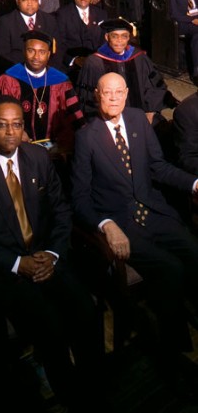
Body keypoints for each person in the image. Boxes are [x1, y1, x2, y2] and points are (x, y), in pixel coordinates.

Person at [0, 97, 103, 409]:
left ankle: (95, 386)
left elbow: (61, 210)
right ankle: (70, 397)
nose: (11, 132)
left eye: (17, 125)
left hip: (49, 257)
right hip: (7, 269)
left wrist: (53, 254)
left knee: (87, 312)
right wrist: (18, 263)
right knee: (52, 329)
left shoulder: (37, 156)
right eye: (3, 125)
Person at [73, 73, 198, 371]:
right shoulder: (86, 137)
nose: (114, 98)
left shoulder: (138, 119)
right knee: (170, 268)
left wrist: (194, 184)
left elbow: (158, 167)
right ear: (97, 96)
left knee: (194, 251)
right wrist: (105, 224)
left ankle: (191, 317)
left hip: (154, 212)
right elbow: (78, 198)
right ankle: (175, 347)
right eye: (107, 93)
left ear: (127, 93)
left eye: (119, 92)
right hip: (122, 223)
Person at [0, 31, 84, 153]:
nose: (36, 57)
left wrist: (63, 142)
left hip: (56, 149)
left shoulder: (62, 83)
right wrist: (17, 133)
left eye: (42, 52)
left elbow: (74, 119)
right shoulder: (7, 80)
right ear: (24, 51)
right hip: (18, 148)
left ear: (49, 54)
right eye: (31, 50)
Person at [75, 18, 166, 121]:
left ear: (129, 38)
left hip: (141, 116)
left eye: (124, 36)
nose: (120, 41)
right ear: (107, 37)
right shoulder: (94, 63)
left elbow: (155, 86)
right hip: (107, 119)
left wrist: (151, 110)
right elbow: (87, 97)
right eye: (114, 36)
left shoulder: (139, 58)